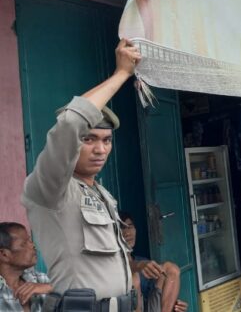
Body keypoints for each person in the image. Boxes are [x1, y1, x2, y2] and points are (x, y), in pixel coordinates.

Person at [21, 39, 141, 310]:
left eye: (106, 140)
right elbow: (72, 122)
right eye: (89, 139)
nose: (100, 149)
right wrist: (121, 73)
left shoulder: (102, 193)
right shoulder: (50, 187)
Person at [119, 212, 187, 312]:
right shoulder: (111, 263)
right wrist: (138, 266)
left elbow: (158, 290)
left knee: (171, 268)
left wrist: (173, 305)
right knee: (134, 278)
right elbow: (126, 267)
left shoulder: (142, 261)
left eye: (130, 226)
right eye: (122, 228)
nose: (127, 232)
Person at [0, 222, 52, 312]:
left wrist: (49, 288)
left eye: (30, 240)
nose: (33, 245)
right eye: (24, 244)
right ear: (4, 254)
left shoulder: (39, 279)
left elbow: (79, 291)